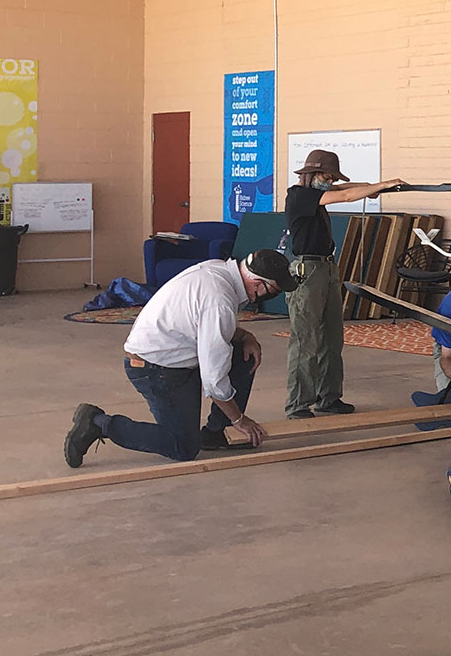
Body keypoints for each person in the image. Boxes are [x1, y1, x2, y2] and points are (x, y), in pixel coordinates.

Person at [63, 249, 298, 465]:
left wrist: (246, 336)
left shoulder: (219, 271)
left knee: (242, 354)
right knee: (183, 446)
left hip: (174, 357)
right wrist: (239, 420)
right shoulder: (219, 301)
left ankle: (216, 433)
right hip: (154, 368)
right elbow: (213, 379)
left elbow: (204, 322)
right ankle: (98, 423)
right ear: (257, 284)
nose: (271, 296)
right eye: (274, 291)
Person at [283, 149, 406, 419]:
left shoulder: (319, 193)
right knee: (306, 340)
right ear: (312, 174)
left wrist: (374, 187)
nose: (330, 181)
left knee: (332, 338)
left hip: (326, 267)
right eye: (326, 176)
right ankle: (298, 404)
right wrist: (381, 186)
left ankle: (328, 398)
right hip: (307, 269)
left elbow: (346, 187)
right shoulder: (299, 195)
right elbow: (345, 195)